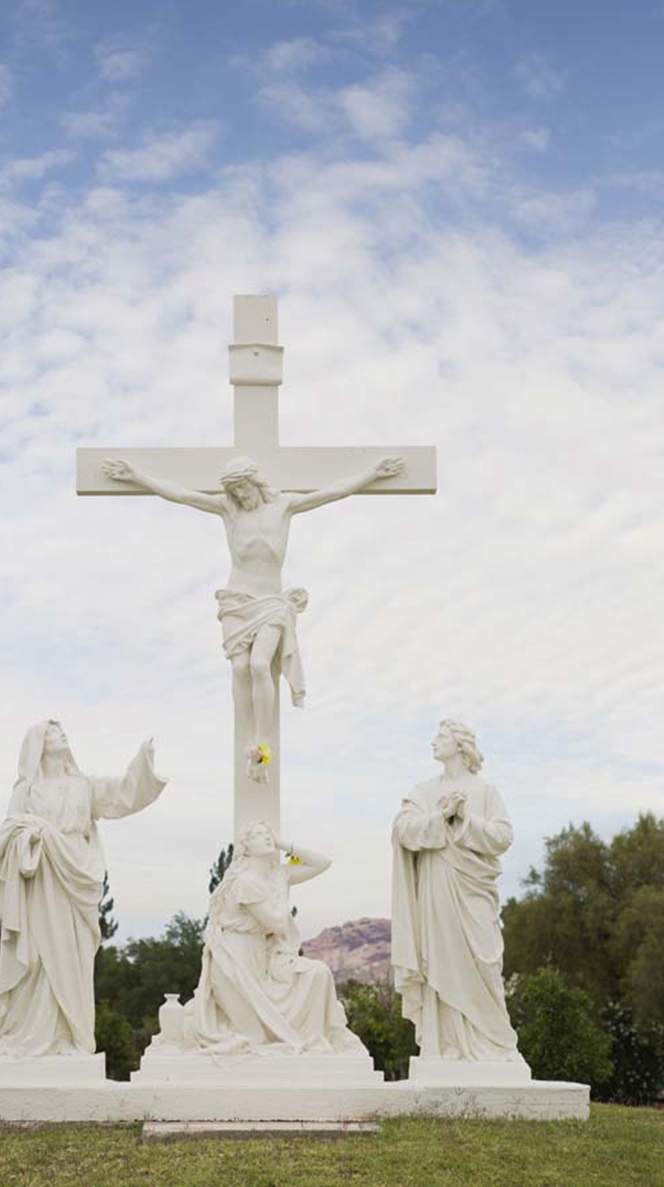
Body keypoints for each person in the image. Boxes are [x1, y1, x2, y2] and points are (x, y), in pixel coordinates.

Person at [102, 453, 403, 779]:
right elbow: (180, 494)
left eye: (244, 488)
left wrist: (372, 474)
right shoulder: (228, 510)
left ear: (255, 482)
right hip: (237, 602)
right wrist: (137, 476)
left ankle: (261, 743)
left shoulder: (283, 506)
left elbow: (332, 492)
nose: (242, 496)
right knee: (240, 667)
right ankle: (247, 743)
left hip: (271, 602)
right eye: (236, 492)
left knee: (260, 664)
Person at [0, 720, 166, 1058]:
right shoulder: (26, 790)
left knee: (70, 956)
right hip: (39, 878)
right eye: (52, 730)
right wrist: (31, 834)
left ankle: (70, 1036)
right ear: (38, 744)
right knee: (37, 957)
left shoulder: (83, 785)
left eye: (61, 729)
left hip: (74, 880)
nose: (61, 733)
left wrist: (143, 762)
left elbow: (124, 795)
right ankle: (26, 1037)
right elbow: (7, 834)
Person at [391, 720, 525, 1063]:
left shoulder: (485, 791)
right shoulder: (422, 791)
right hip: (437, 887)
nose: (433, 741)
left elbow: (502, 837)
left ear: (460, 746)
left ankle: (494, 1044)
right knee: (441, 960)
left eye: (441, 737)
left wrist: (465, 817)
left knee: (485, 961)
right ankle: (446, 1045)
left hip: (473, 888)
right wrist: (440, 815)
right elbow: (403, 830)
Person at [183, 820, 365, 1055]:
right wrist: (281, 888)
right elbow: (277, 924)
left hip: (262, 958)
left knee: (318, 973)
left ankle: (314, 1037)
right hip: (234, 960)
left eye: (268, 834)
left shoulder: (277, 875)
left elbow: (322, 863)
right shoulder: (246, 881)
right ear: (246, 847)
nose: (266, 837)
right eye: (258, 835)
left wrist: (282, 844)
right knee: (255, 1036)